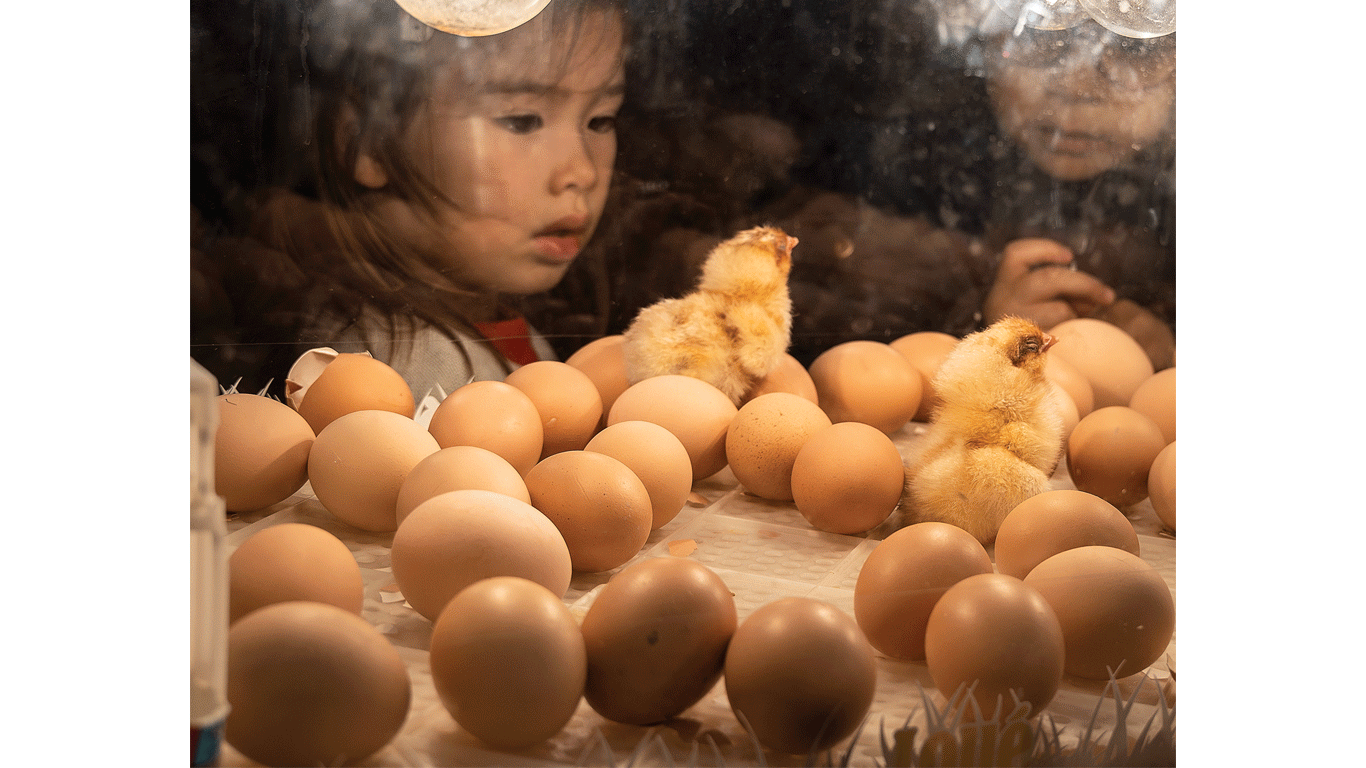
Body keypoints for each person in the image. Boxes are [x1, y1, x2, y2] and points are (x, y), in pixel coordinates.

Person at [192, 0, 628, 401]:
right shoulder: (415, 366)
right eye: (522, 120)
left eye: (601, 120)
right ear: (367, 142)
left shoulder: (485, 324)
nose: (582, 172)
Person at [864, 2, 1177, 368]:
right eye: (1038, 39)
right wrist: (987, 324)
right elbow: (888, 339)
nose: (1076, 88)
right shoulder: (931, 151)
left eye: (1135, 53)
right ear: (985, 48)